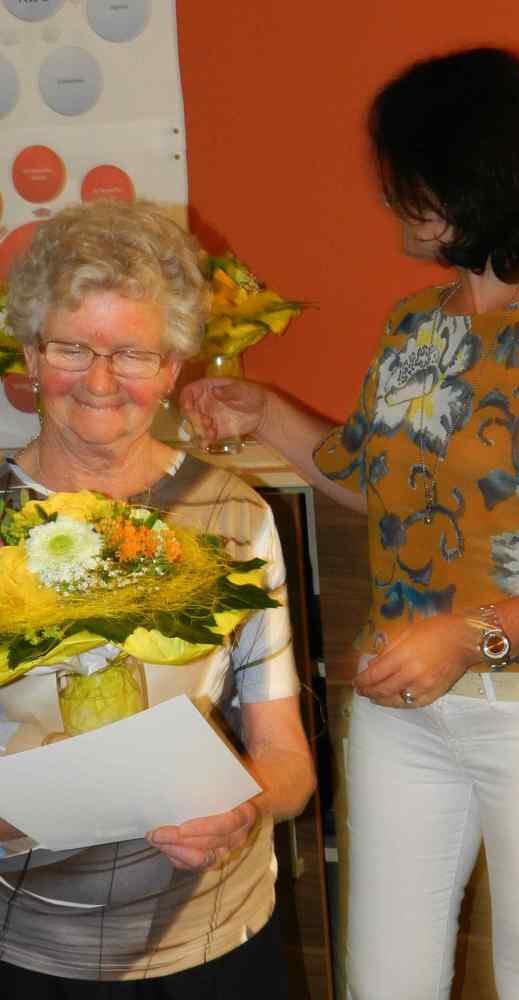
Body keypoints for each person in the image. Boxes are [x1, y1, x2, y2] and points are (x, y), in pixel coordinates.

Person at [181, 48, 519, 1000]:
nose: (388, 197)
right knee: (384, 986)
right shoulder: (417, 324)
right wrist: (262, 411)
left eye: (404, 175)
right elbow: (372, 479)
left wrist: (468, 635)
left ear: (470, 172)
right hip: (404, 713)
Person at [0, 199, 316, 997]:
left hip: (211, 940)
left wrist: (244, 806)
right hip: (26, 947)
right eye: (72, 348)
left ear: (173, 368)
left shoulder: (235, 517)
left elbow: (288, 763)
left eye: (134, 354)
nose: (101, 381)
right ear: (30, 353)